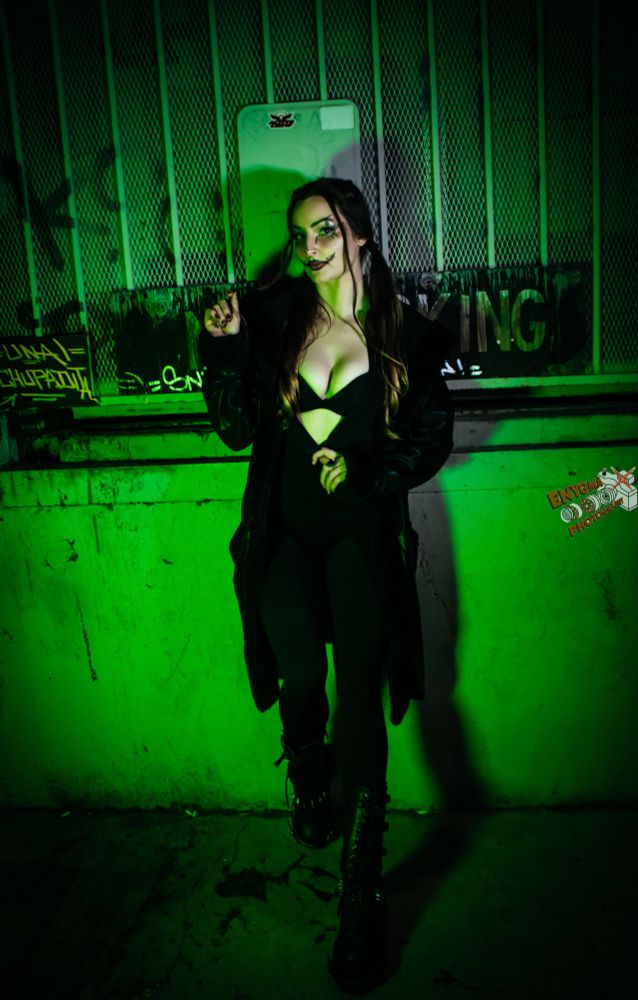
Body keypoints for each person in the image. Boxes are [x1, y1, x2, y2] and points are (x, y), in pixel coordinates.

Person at [200, 177, 454, 993]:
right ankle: (307, 768)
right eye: (300, 234)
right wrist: (225, 348)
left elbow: (430, 440)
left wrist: (366, 471)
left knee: (361, 694)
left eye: (325, 232)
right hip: (282, 535)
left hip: (359, 539)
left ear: (359, 236)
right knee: (300, 674)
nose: (310, 249)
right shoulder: (274, 318)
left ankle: (360, 890)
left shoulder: (406, 335)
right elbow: (234, 428)